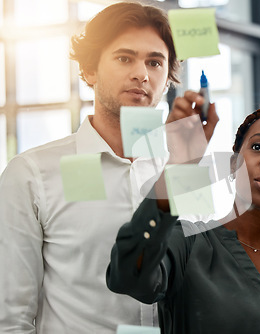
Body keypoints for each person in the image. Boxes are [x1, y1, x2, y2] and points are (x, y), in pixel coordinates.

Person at [0, 2, 217, 333]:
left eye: (155, 62)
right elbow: (11, 315)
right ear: (89, 70)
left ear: (168, 78)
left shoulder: (185, 171)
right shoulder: (32, 173)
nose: (141, 74)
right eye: (124, 58)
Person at [106, 108, 260, 334]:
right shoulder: (186, 245)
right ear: (234, 163)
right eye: (257, 147)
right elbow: (126, 276)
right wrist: (175, 170)